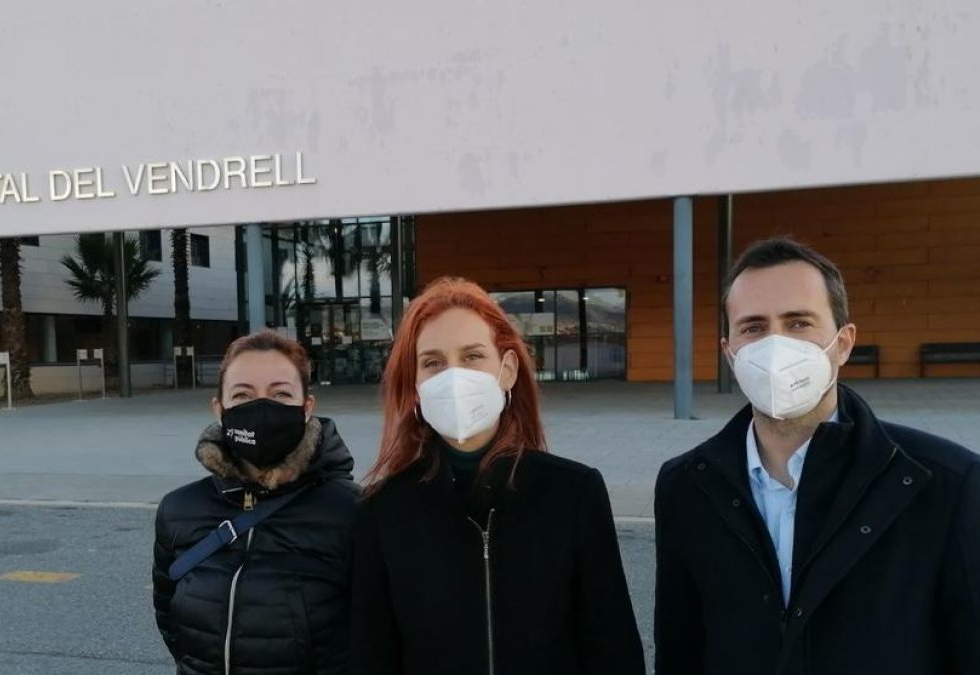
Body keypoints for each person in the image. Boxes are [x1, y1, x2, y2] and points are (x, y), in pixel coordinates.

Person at [654, 237, 980, 674]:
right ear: (730, 351)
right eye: (753, 328)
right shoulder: (686, 485)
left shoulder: (948, 483)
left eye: (799, 323)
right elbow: (681, 648)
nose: (775, 346)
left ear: (843, 343)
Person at [350, 277, 645, 675]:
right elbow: (372, 655)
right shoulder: (382, 510)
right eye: (433, 362)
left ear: (506, 371)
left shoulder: (573, 494)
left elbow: (612, 646)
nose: (453, 377)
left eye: (472, 356)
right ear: (416, 387)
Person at [152, 330, 359, 675]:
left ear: (307, 408)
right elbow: (170, 621)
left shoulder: (352, 511)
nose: (261, 408)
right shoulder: (179, 510)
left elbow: (371, 639)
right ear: (220, 409)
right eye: (243, 395)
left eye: (280, 394)